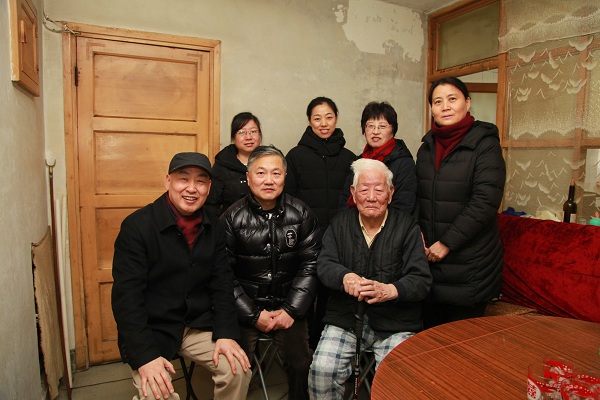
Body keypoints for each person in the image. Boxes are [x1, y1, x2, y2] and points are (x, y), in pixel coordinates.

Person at [111, 152, 251, 400]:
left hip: (197, 324)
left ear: (209, 187)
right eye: (183, 179)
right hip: (152, 328)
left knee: (237, 369)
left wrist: (226, 333)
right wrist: (146, 357)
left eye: (200, 181)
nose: (191, 188)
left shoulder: (214, 226)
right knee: (157, 392)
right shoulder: (137, 226)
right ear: (168, 181)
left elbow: (222, 283)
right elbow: (127, 300)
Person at [309, 158, 432, 400]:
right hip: (346, 319)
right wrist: (345, 277)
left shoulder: (407, 227)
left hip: (395, 323)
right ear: (354, 193)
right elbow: (324, 264)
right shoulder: (340, 223)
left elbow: (421, 280)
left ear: (391, 193)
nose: (372, 197)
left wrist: (390, 290)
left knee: (399, 379)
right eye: (364, 190)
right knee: (321, 370)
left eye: (379, 190)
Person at [221, 145, 321, 400]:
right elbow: (223, 275)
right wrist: (253, 315)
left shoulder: (302, 213)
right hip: (244, 308)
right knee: (234, 367)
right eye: (261, 173)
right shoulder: (231, 218)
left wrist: (291, 310)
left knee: (301, 364)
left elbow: (310, 265)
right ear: (248, 177)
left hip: (287, 306)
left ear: (284, 177)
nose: (269, 180)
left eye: (276, 173)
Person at [416, 77, 506, 329]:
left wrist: (447, 243)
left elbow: (485, 202)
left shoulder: (485, 145)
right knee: (429, 341)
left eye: (452, 99)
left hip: (470, 266)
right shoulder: (426, 148)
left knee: (461, 343)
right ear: (431, 109)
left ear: (467, 102)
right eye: (437, 101)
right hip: (430, 263)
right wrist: (416, 234)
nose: (445, 106)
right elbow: (417, 197)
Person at [285, 96, 356, 349]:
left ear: (336, 119)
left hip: (339, 241)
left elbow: (354, 202)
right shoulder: (295, 156)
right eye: (317, 118)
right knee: (302, 296)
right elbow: (288, 200)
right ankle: (301, 354)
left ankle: (325, 350)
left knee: (331, 299)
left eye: (328, 117)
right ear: (309, 121)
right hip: (305, 240)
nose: (323, 123)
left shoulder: (350, 158)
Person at [340, 101, 417, 215]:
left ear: (393, 131)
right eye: (370, 126)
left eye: (382, 126)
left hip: (390, 225)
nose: (375, 131)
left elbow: (403, 206)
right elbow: (345, 200)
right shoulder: (359, 162)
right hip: (354, 223)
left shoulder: (404, 163)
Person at [205, 112, 262, 215]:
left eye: (253, 131)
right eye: (242, 132)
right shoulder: (222, 165)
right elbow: (211, 205)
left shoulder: (270, 162)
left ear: (260, 135)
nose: (248, 137)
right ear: (234, 138)